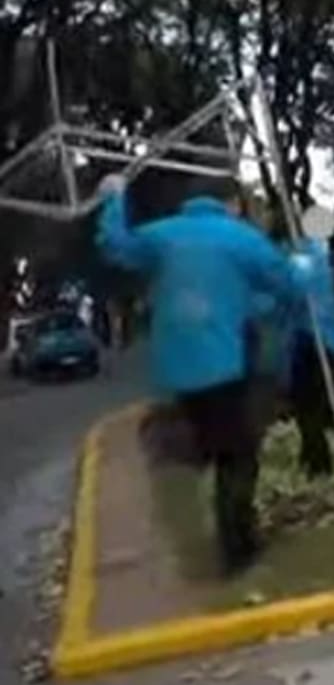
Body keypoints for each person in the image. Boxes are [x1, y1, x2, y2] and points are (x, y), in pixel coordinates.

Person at [96, 174, 304, 573]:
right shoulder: (239, 237)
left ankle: (229, 523)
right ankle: (237, 549)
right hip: (222, 364)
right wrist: (298, 271)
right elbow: (286, 283)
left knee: (218, 446)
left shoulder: (162, 235)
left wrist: (115, 200)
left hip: (178, 371)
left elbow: (116, 246)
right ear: (229, 203)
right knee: (239, 456)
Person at [284, 237, 334, 478]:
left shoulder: (300, 259)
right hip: (324, 335)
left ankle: (319, 463)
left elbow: (296, 291)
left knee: (307, 403)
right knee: (314, 400)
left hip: (308, 337)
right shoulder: (320, 253)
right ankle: (313, 453)